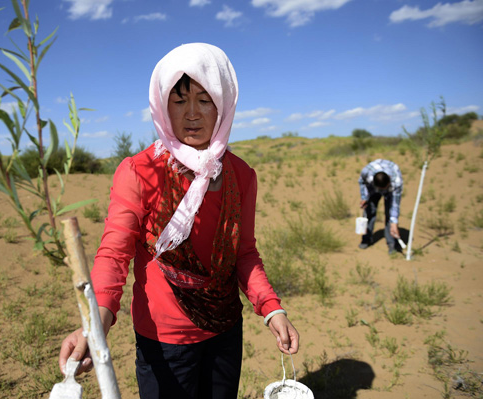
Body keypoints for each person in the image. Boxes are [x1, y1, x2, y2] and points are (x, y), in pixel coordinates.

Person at [58, 43, 299, 398]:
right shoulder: (140, 172)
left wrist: (271, 308)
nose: (192, 114)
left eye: (205, 100)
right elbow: (114, 254)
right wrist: (96, 323)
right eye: (179, 99)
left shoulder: (241, 176)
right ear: (161, 104)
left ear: (224, 103)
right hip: (164, 342)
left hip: (225, 333)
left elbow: (243, 253)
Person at [358, 159, 403, 254]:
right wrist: (364, 197)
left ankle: (392, 244)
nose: (383, 191)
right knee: (369, 211)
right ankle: (366, 239)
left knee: (389, 214)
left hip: (391, 191)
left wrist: (394, 222)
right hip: (373, 189)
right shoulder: (367, 173)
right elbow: (361, 182)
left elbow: (395, 204)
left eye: (385, 188)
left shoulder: (396, 182)